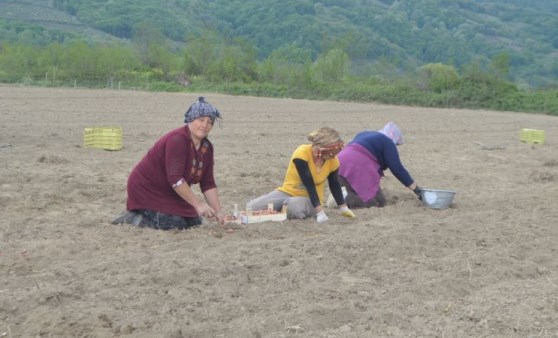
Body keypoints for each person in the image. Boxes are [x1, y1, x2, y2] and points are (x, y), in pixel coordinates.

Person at [112, 97, 225, 230]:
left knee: (194, 222)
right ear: (191, 119)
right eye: (201, 120)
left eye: (210, 122)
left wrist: (218, 212)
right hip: (148, 189)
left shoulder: (207, 147)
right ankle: (133, 217)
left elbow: (208, 183)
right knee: (173, 224)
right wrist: (199, 204)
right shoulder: (178, 139)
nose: (205, 125)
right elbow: (175, 179)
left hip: (172, 193)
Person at [246, 127, 356, 223]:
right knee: (252, 208)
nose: (334, 155)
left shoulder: (333, 161)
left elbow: (334, 184)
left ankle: (284, 207)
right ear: (322, 148)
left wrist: (343, 208)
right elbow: (309, 184)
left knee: (294, 207)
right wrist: (320, 213)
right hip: (287, 192)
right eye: (331, 151)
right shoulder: (302, 153)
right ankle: (283, 206)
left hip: (310, 199)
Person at [332, 122, 421, 208]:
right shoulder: (387, 142)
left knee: (353, 189)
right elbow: (397, 169)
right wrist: (416, 190)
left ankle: (339, 196)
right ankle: (343, 200)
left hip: (338, 162)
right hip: (358, 166)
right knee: (378, 201)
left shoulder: (365, 134)